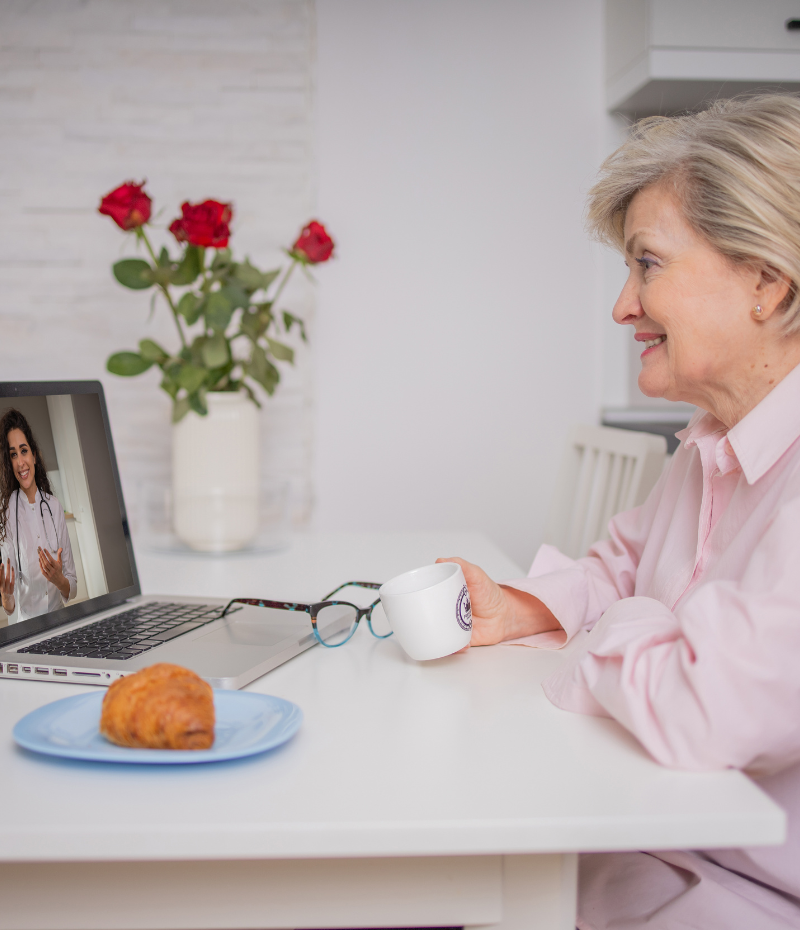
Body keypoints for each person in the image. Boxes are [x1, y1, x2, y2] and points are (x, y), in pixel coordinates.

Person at [440, 95, 800, 929]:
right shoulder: (712, 444)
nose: (623, 307)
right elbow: (624, 571)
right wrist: (525, 608)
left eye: (648, 264)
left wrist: (621, 630)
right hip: (640, 843)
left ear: (766, 281)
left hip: (745, 900)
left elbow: (710, 704)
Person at [0, 409, 77, 623]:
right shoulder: (7, 514)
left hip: (59, 620)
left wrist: (59, 579)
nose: (20, 462)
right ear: (9, 463)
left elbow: (73, 585)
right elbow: (10, 605)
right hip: (28, 626)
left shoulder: (54, 506)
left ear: (34, 455)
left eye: (23, 451)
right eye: (13, 454)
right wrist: (5, 595)